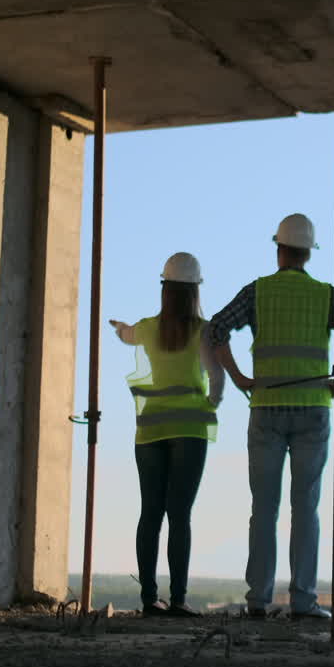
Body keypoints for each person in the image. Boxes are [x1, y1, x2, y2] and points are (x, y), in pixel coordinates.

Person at [207, 214, 334, 619]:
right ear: (308, 253)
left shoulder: (258, 292)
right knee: (306, 508)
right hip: (314, 410)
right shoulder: (325, 295)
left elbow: (216, 330)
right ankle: (304, 601)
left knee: (263, 508)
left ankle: (258, 602)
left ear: (278, 248)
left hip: (265, 410)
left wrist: (239, 376)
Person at [109, 252, 225, 617]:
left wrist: (120, 328)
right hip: (190, 429)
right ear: (195, 291)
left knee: (150, 513)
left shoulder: (146, 328)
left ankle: (148, 600)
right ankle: (178, 600)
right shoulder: (203, 332)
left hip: (151, 430)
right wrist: (213, 401)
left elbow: (127, 336)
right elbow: (217, 377)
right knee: (180, 515)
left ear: (164, 288)